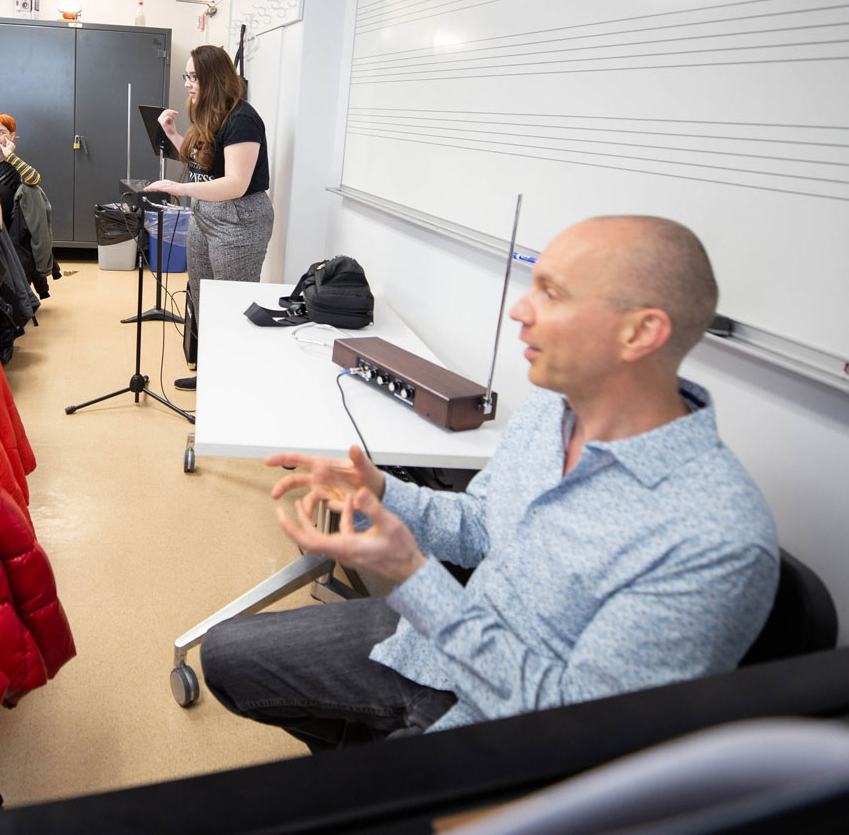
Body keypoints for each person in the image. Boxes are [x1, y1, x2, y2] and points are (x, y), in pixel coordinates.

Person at [199, 216, 780, 750]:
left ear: (640, 332)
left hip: (511, 728)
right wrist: (384, 494)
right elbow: (482, 525)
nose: (521, 310)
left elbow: (578, 731)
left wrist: (414, 578)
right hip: (442, 637)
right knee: (226, 656)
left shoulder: (715, 537)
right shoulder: (554, 407)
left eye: (551, 293)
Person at [146, 45, 273, 391]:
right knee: (203, 298)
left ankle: (233, 387)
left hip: (239, 220)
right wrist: (173, 134)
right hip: (205, 214)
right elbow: (203, 166)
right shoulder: (207, 113)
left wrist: (180, 188)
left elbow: (235, 183)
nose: (187, 83)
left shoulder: (242, 119)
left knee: (231, 305)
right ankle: (212, 377)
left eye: (194, 77)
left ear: (213, 78)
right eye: (186, 76)